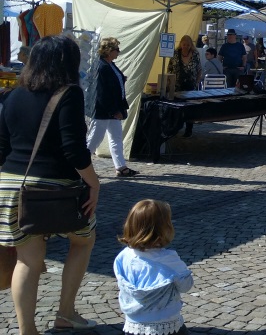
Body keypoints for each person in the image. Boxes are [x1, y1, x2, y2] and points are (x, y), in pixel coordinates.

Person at [0, 34, 101, 335]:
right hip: (54, 187)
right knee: (83, 240)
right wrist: (94, 184)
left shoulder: (13, 95)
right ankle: (65, 312)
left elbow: (2, 147)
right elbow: (74, 150)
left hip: (9, 185)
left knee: (28, 260)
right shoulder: (68, 93)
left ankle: (26, 331)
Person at [114, 199, 194, 335]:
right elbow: (186, 286)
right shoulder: (169, 259)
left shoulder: (124, 256)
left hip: (134, 324)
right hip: (166, 323)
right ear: (164, 229)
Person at [87, 36, 138, 177]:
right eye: (117, 49)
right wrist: (114, 111)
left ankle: (120, 167)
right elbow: (102, 93)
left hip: (113, 108)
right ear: (109, 51)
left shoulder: (109, 64)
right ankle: (81, 168)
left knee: (116, 139)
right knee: (93, 140)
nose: (118, 52)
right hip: (104, 110)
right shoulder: (102, 66)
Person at [168, 35, 202, 137]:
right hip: (177, 85)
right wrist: (170, 83)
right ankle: (176, 128)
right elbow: (169, 69)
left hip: (191, 86)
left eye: (188, 45)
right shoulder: (175, 54)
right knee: (177, 108)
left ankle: (188, 129)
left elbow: (199, 69)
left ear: (191, 45)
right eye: (184, 44)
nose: (186, 46)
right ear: (181, 44)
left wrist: (196, 82)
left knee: (190, 108)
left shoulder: (195, 54)